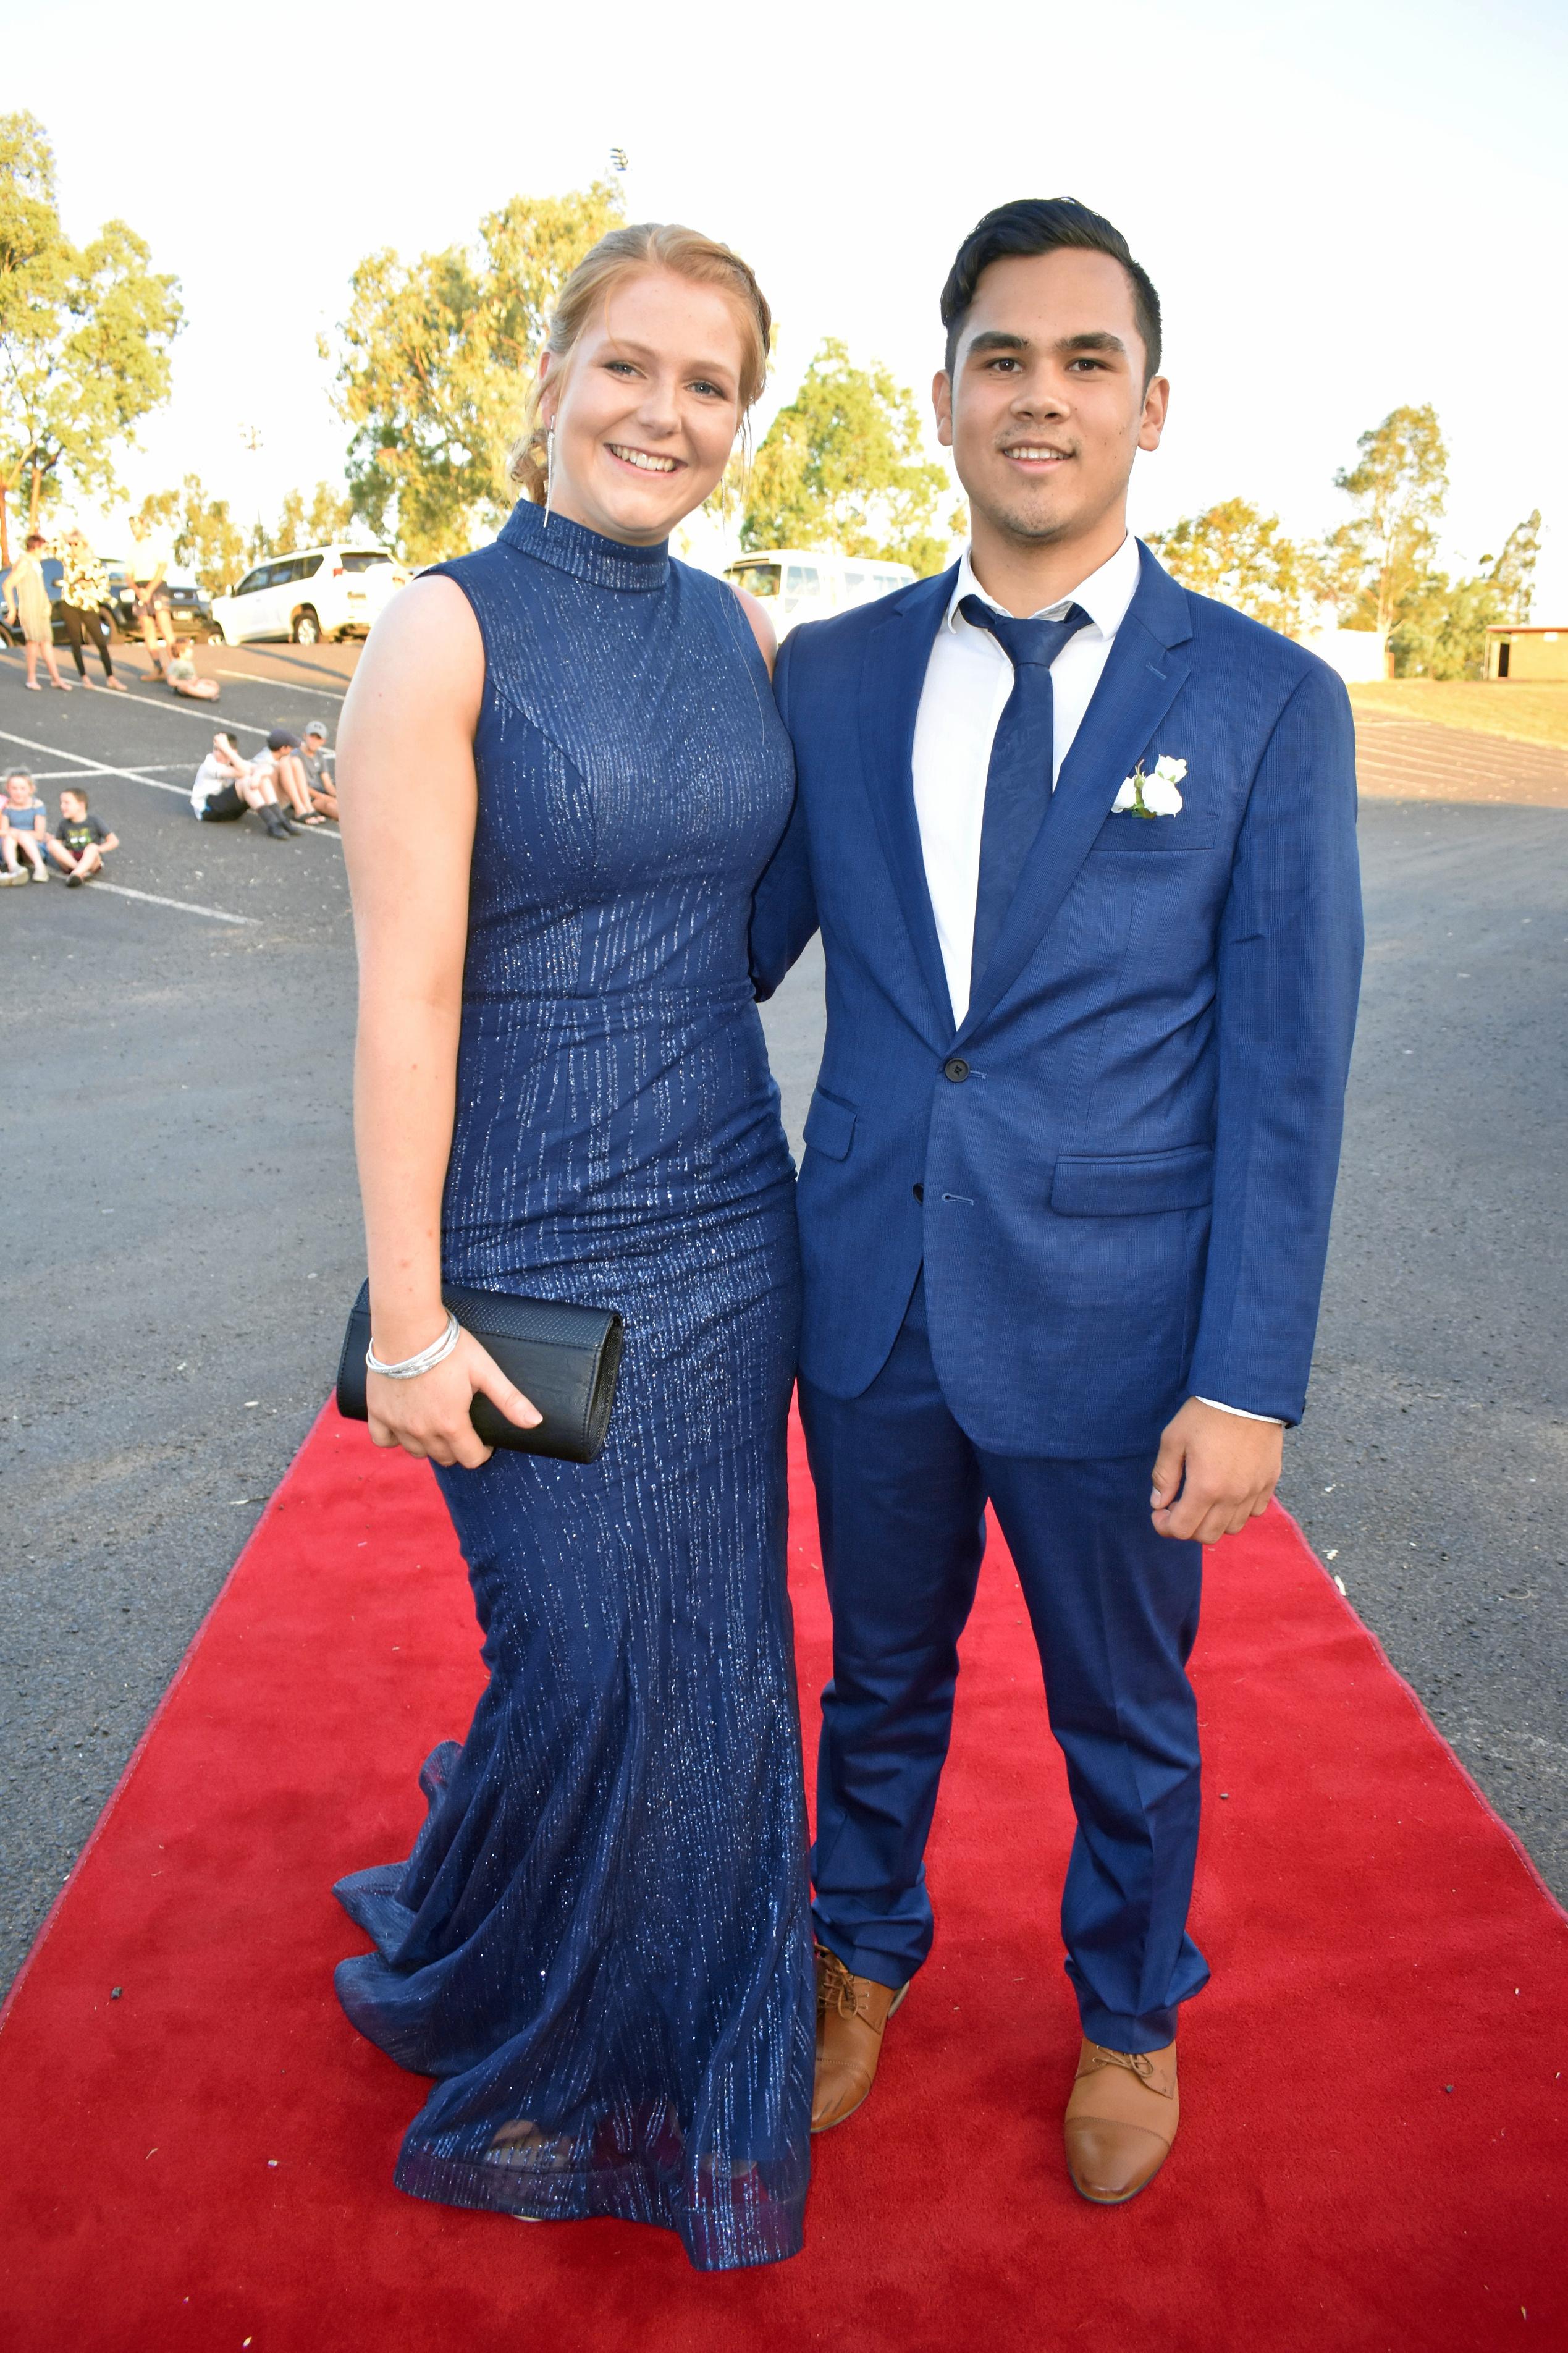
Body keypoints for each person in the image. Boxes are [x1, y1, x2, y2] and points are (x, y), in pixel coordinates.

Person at [751, 198, 1364, 2207]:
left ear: (1149, 404)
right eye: (999, 358)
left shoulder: (1262, 701)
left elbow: (1283, 1073)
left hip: (1118, 1327)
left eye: (1081, 360)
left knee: (1124, 1705)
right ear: (938, 399)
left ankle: (1125, 2009)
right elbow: (713, 947)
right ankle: (855, 1961)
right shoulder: (827, 675)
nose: (1038, 396)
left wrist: (1247, 1373)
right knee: (877, 1672)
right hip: (870, 1301)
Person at [331, 222, 812, 2271]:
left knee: (707, 1679)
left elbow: (754, 921)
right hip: (523, 1244)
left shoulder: (740, 633)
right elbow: (401, 999)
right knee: (584, 1654)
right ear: (547, 382)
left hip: (727, 1218)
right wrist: (411, 1319)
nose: (664, 413)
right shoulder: (440, 631)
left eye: (708, 385)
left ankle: (661, 2044)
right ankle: (522, 1998)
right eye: (629, 366)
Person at [191, 730, 299, 837]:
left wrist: (258, 775)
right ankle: (272, 823)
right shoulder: (209, 764)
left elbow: (267, 769)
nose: (218, 754)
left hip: (231, 813)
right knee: (246, 780)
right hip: (208, 811)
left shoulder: (234, 761)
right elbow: (244, 771)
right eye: (216, 750)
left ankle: (281, 819)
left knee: (262, 778)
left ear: (233, 752)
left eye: (223, 750)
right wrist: (226, 749)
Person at [57, 531, 126, 691]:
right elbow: (52, 546)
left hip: (89, 605)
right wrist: (66, 538)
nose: (73, 547)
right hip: (70, 604)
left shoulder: (95, 564)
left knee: (101, 642)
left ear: (84, 545)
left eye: (76, 544)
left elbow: (104, 590)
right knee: (76, 641)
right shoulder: (68, 560)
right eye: (71, 544)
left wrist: (89, 586)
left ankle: (111, 677)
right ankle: (84, 677)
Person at [3, 535, 72, 692]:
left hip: (41, 609)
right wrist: (12, 609)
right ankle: (31, 678)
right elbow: (8, 585)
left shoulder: (36, 564)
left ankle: (56, 679)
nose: (44, 552)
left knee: (47, 642)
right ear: (35, 547)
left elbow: (40, 587)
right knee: (33, 642)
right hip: (30, 609)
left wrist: (46, 603)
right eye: (42, 548)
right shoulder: (24, 563)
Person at [125, 513, 179, 680]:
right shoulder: (132, 548)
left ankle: (178, 667)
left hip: (156, 586)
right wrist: (138, 590)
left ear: (143, 524)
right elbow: (128, 576)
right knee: (147, 629)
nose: (134, 530)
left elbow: (162, 567)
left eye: (136, 526)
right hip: (140, 588)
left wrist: (149, 590)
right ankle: (158, 668)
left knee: (164, 626)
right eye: (131, 527)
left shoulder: (155, 543)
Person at [46, 787, 119, 884]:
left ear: (81, 805)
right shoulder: (64, 824)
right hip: (71, 861)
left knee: (92, 847)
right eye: (61, 803)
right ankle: (79, 872)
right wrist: (51, 840)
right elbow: (58, 845)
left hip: (91, 861)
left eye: (67, 803)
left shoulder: (94, 821)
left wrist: (98, 849)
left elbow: (113, 841)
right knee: (52, 843)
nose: (62, 806)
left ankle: (77, 873)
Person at [260, 727, 326, 824]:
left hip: (279, 799)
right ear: (283, 749)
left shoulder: (279, 756)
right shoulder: (265, 759)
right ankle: (299, 809)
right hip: (268, 802)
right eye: (291, 747)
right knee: (284, 764)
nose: (293, 750)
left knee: (296, 761)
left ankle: (307, 806)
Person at [1, 771, 53, 880]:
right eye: (14, 789)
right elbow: (4, 831)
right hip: (12, 848)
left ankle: (40, 867)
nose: (18, 792)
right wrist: (15, 834)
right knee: (10, 837)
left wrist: (18, 833)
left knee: (20, 836)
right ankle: (14, 867)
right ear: (8, 789)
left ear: (31, 789)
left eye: (22, 789)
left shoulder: (37, 805)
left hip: (33, 847)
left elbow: (39, 835)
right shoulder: (7, 807)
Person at [298, 721, 339, 819]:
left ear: (323, 741)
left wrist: (337, 797)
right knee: (331, 807)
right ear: (305, 736)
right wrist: (325, 798)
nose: (314, 741)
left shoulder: (319, 756)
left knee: (344, 804)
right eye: (312, 736)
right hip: (306, 794)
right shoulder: (297, 756)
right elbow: (301, 786)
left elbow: (328, 784)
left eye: (318, 738)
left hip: (317, 791)